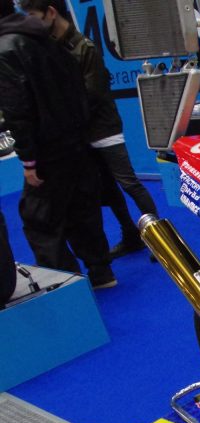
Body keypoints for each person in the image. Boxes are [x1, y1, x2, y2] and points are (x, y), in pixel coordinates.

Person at [20, 0, 157, 258]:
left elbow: (93, 94)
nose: (29, 22)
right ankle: (130, 235)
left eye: (32, 15)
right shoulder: (50, 48)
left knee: (129, 183)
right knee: (108, 190)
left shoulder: (85, 48)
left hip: (104, 130)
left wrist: (63, 115)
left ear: (51, 12)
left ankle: (161, 238)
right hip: (79, 134)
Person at [0, 0, 115, 288]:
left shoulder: (6, 50)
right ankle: (101, 273)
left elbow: (18, 109)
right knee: (82, 211)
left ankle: (68, 286)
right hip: (75, 142)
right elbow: (78, 88)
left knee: (40, 222)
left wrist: (29, 159)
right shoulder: (44, 38)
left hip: (47, 150)